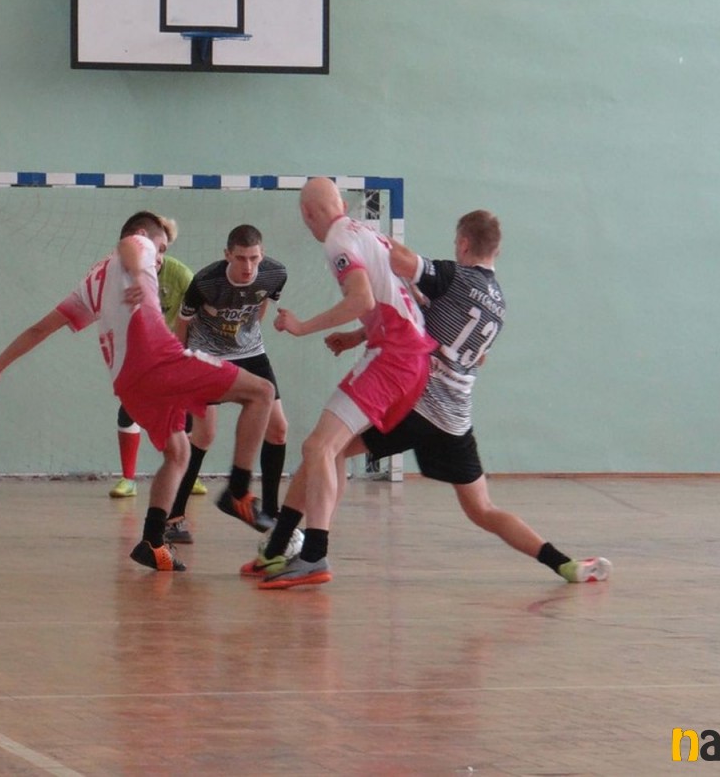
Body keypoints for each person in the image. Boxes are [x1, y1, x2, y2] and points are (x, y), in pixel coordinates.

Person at [247, 209, 612, 587]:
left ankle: (299, 548)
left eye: (456, 243)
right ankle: (564, 564)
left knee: (325, 450)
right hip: (456, 420)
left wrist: (358, 230)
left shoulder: (455, 276)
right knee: (483, 509)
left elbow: (401, 260)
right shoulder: (499, 304)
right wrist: (357, 337)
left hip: (416, 402)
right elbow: (462, 347)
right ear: (497, 251)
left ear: (464, 244)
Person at [0, 211, 275, 571]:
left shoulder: (92, 282)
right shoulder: (137, 247)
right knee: (262, 391)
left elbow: (41, 329)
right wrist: (140, 274)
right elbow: (131, 246)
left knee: (178, 452)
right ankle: (238, 492)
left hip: (129, 385)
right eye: (161, 248)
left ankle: (152, 542)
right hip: (158, 359)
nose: (159, 258)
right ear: (144, 235)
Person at [256, 177, 438, 588]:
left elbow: (362, 300)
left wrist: (302, 326)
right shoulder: (371, 233)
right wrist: (358, 336)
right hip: (411, 359)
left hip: (395, 358)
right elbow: (406, 298)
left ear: (308, 213)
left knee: (318, 447)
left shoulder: (337, 241)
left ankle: (314, 556)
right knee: (327, 451)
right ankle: (278, 547)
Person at [164, 225, 290, 544]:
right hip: (208, 354)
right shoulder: (205, 282)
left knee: (279, 429)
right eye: (241, 258)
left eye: (254, 258)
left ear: (262, 255)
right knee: (204, 435)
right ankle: (174, 517)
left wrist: (245, 336)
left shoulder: (275, 274)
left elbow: (261, 305)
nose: (248, 266)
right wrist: (182, 363)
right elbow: (183, 323)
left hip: (251, 352)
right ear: (227, 255)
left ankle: (271, 513)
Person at [110, 248, 207, 499]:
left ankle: (188, 475)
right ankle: (128, 479)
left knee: (186, 408)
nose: (156, 257)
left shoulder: (181, 275)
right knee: (129, 409)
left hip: (175, 348)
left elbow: (199, 312)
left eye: (160, 249)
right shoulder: (120, 277)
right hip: (139, 352)